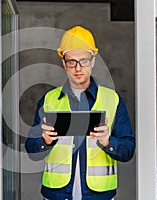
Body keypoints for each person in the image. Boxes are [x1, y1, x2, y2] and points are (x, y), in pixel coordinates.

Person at [25, 25, 135, 200]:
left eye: (84, 60)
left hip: (99, 196)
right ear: (64, 62)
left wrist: (108, 142)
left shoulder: (112, 100)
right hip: (56, 195)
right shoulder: (48, 101)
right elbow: (31, 150)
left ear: (93, 61)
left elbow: (128, 150)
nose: (78, 68)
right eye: (72, 61)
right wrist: (45, 141)